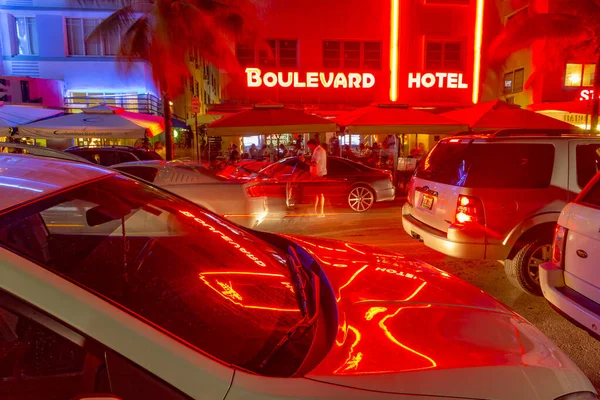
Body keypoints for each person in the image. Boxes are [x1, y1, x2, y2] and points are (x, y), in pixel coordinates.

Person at [300, 139, 327, 215]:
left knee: (318, 194)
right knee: (319, 194)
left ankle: (319, 211)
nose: (309, 148)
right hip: (320, 174)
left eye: (309, 146)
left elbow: (314, 164)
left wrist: (304, 160)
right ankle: (317, 210)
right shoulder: (321, 150)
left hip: (318, 175)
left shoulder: (317, 151)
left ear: (312, 144)